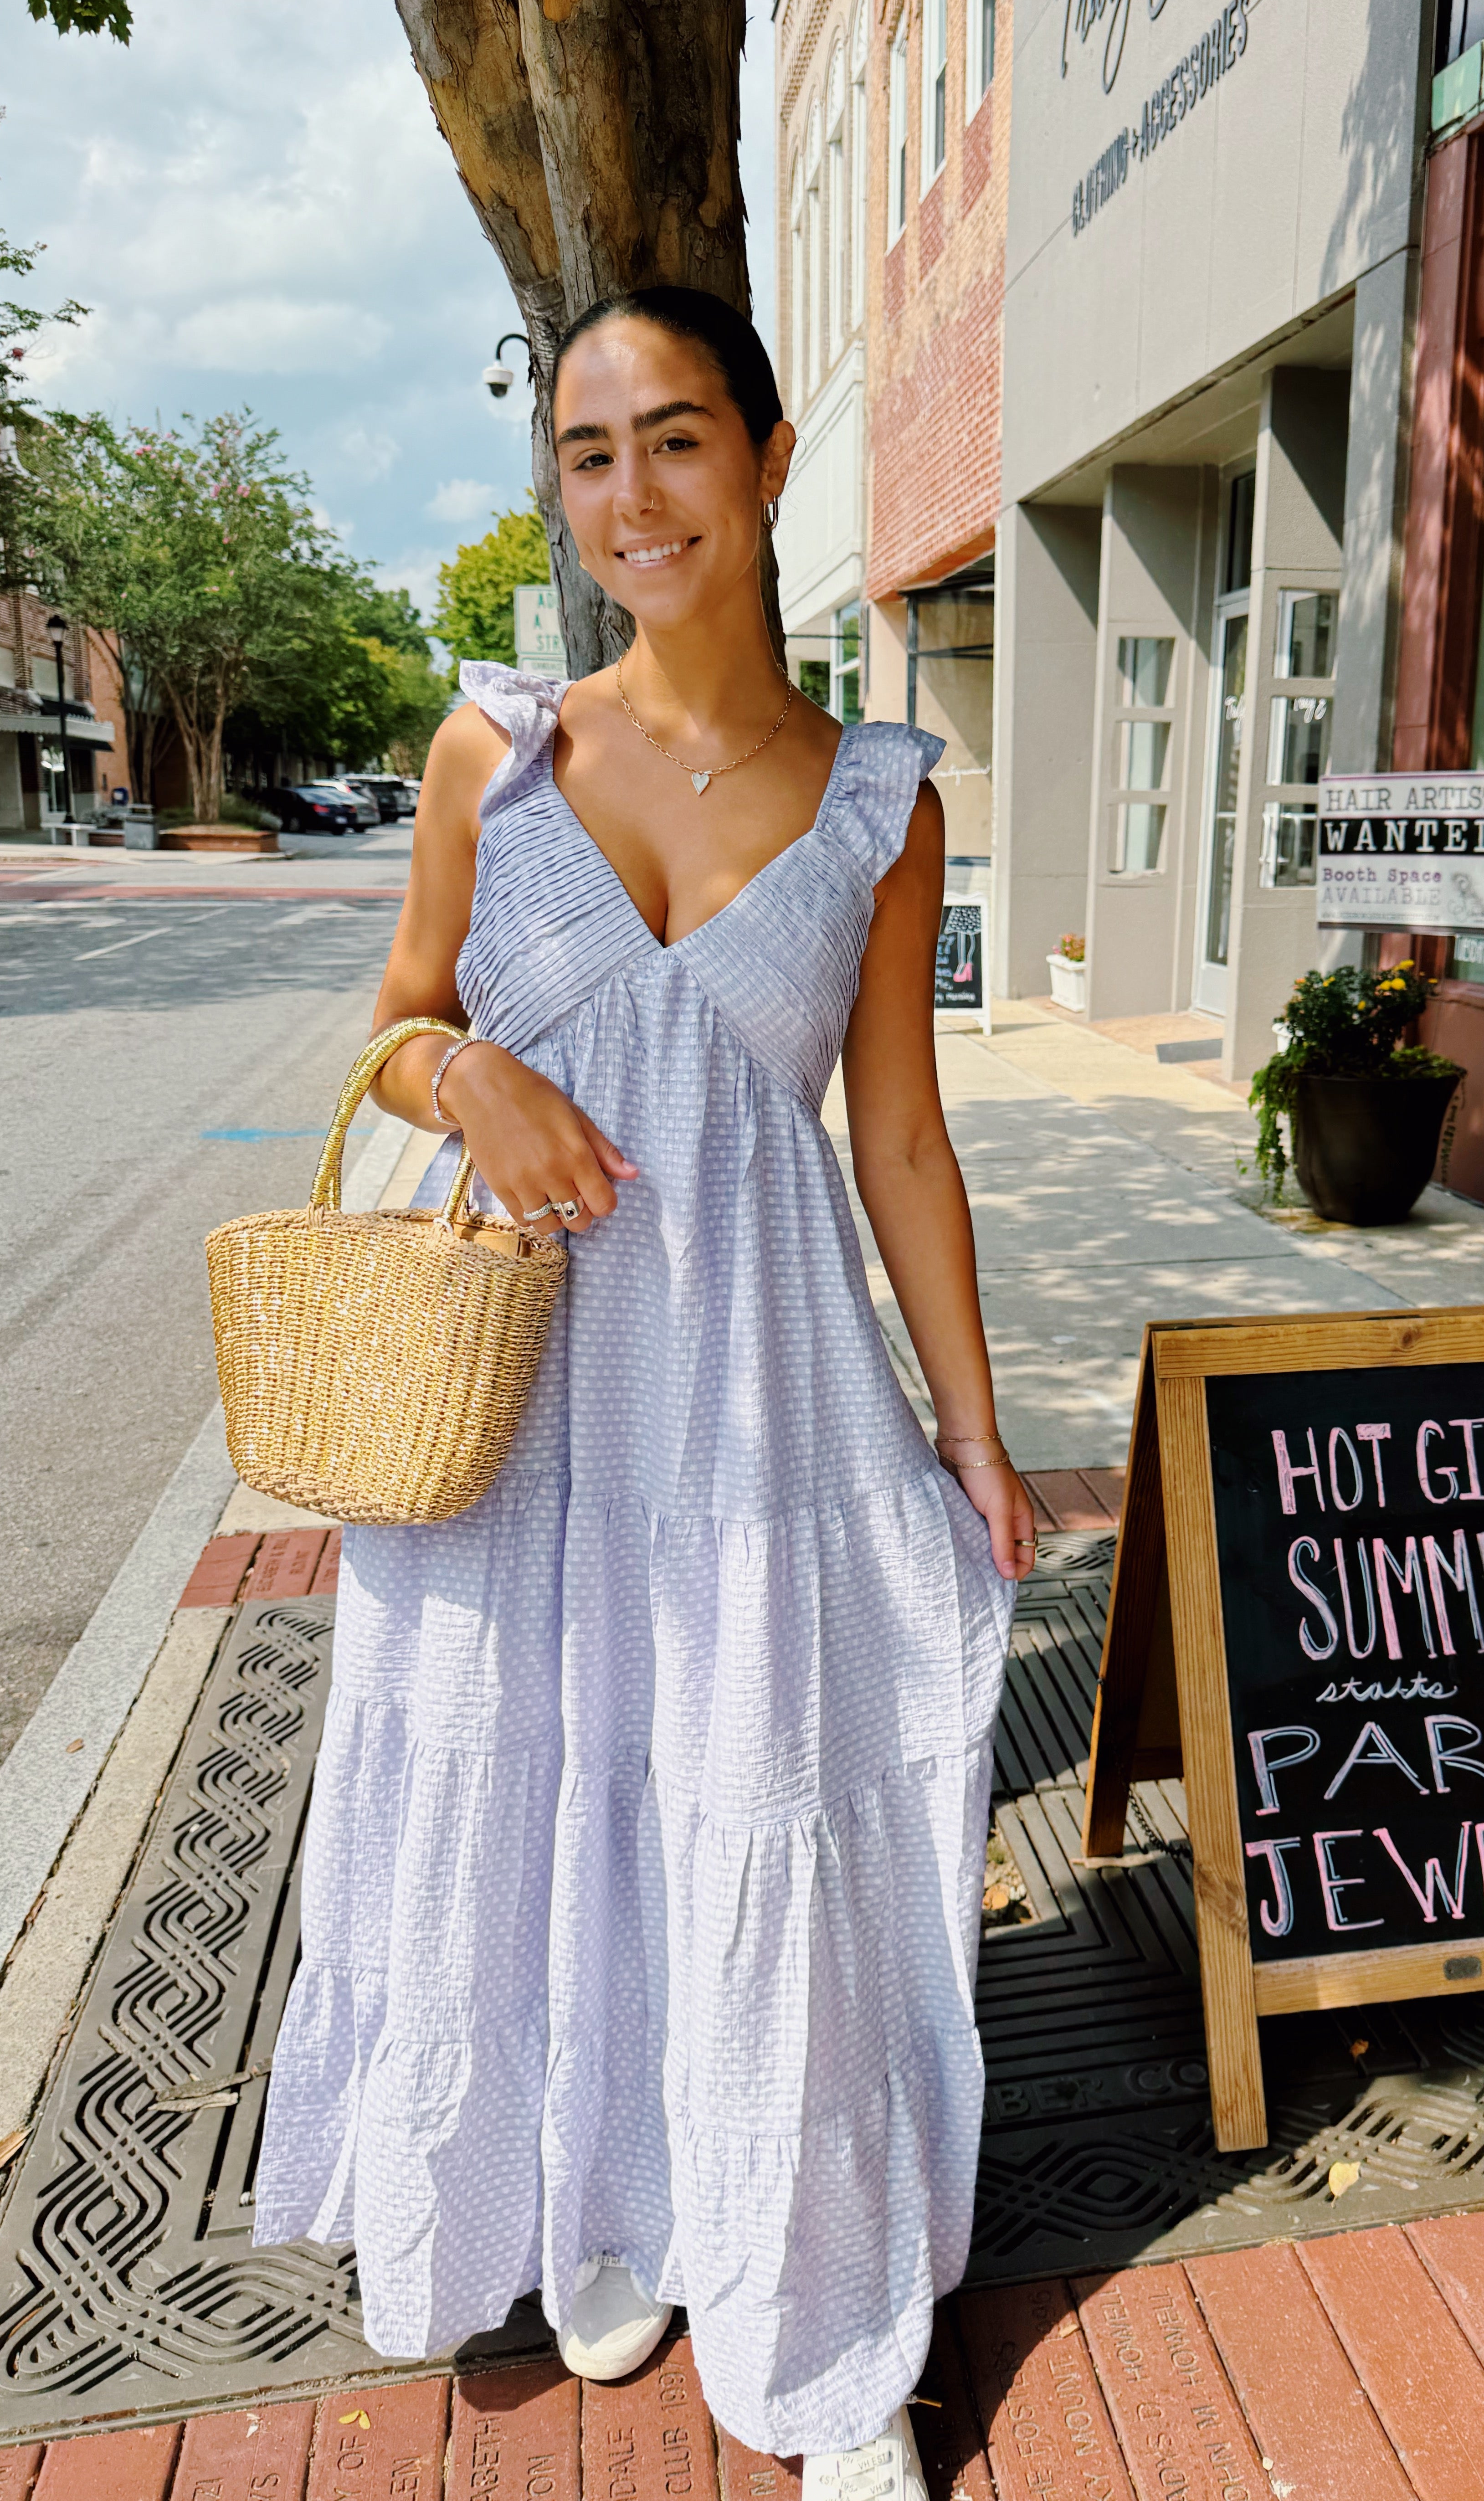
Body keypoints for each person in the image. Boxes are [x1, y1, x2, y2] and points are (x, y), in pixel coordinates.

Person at [251, 287, 1034, 2492]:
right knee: (559, 1780)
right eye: (591, 454)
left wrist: (972, 1431)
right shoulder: (496, 752)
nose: (632, 496)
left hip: (762, 1401)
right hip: (523, 1407)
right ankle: (602, 2193)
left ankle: (817, 2318)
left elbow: (898, 1140)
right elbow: (390, 1020)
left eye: (676, 441)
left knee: (752, 1783)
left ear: (771, 463)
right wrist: (471, 1069)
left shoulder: (881, 799)